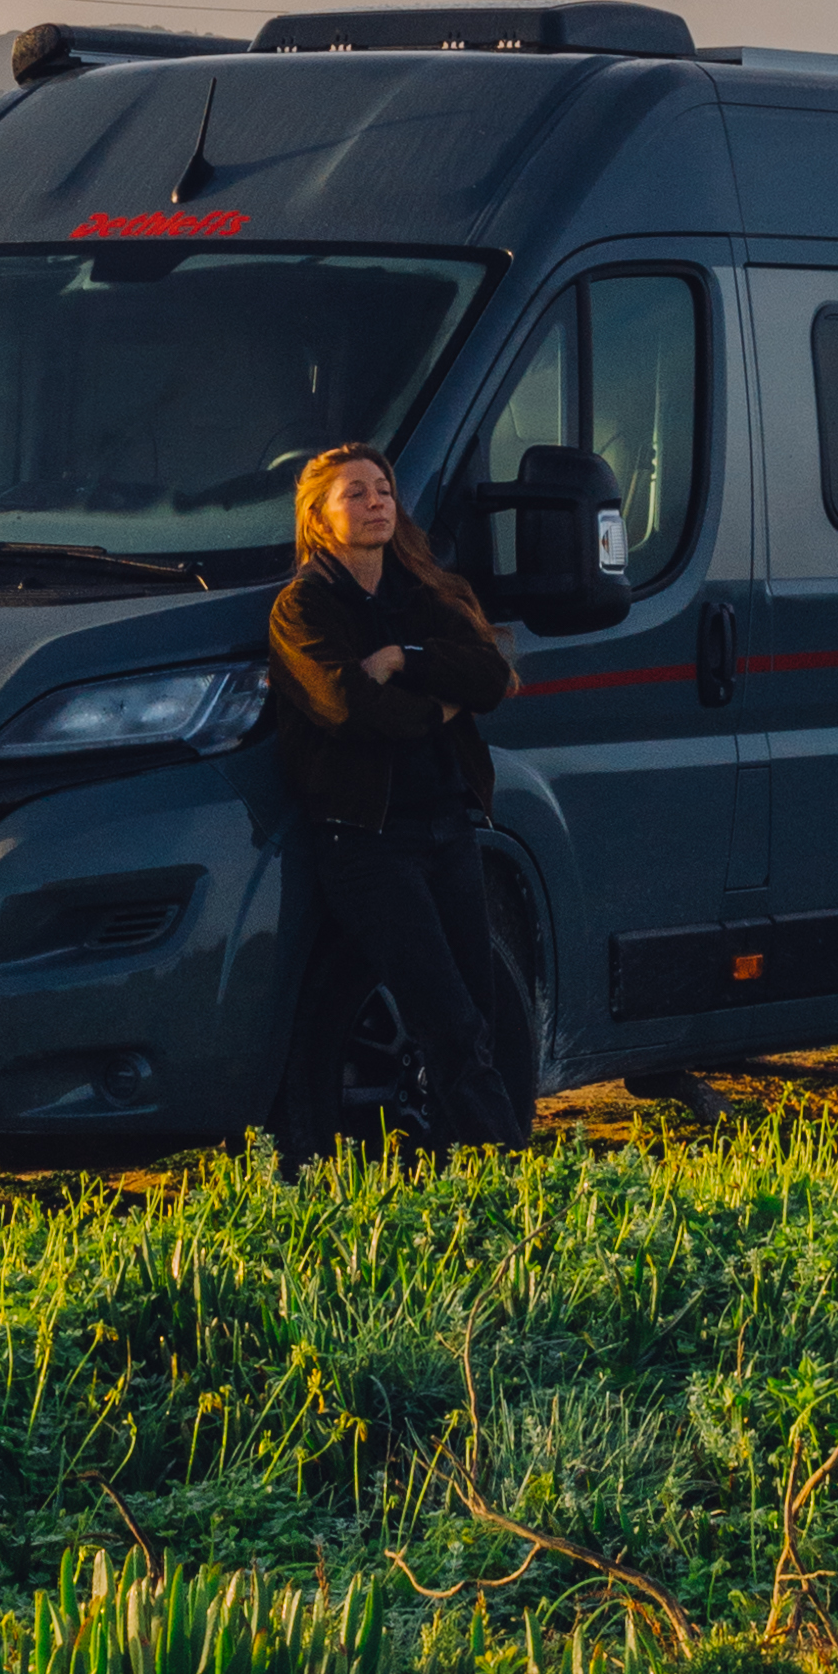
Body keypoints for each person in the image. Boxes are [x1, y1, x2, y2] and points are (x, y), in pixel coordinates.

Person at [266, 441, 530, 1149]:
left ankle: (462, 1175)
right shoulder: (303, 609)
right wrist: (437, 711)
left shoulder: (421, 595)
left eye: (383, 488)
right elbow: (348, 708)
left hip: (448, 827)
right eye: (356, 492)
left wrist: (404, 659)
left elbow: (488, 676)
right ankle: (509, 1171)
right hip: (367, 842)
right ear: (320, 517)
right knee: (447, 1017)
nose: (377, 500)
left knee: (478, 1011)